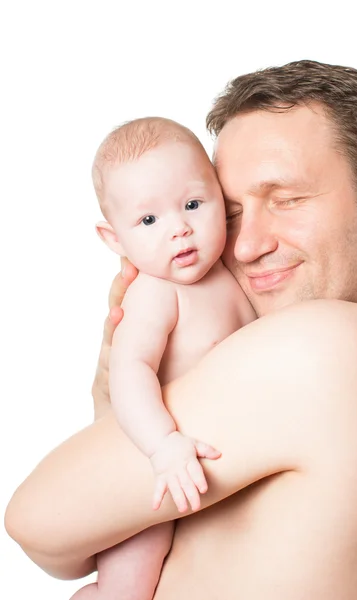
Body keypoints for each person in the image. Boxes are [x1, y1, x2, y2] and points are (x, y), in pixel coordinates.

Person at [5, 60, 357, 599]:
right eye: (232, 212)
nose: (244, 247)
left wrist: (111, 380)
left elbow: (38, 524)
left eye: (287, 200)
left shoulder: (324, 346)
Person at [70, 116, 256, 599]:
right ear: (115, 239)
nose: (179, 229)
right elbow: (129, 373)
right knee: (129, 585)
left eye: (194, 204)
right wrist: (162, 445)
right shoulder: (153, 292)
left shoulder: (234, 276)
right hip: (150, 469)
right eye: (149, 220)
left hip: (209, 474)